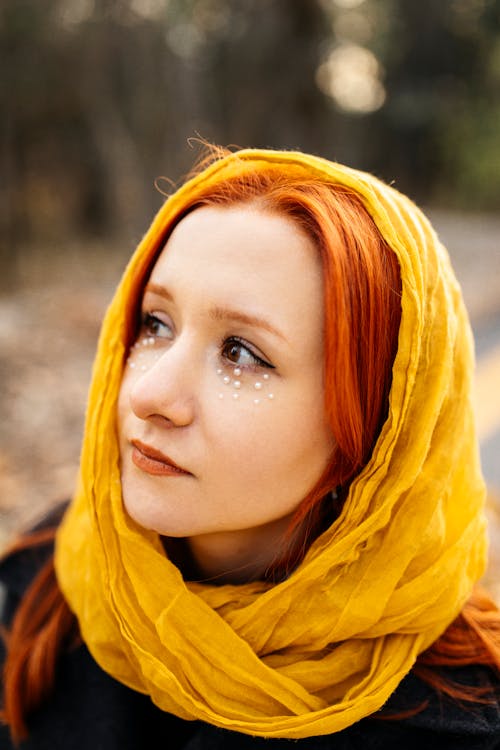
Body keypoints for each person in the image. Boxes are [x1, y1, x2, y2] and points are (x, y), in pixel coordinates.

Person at [0, 146, 499, 749]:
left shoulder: (460, 717)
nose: (150, 394)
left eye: (241, 353)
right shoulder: (45, 586)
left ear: (375, 427)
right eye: (155, 324)